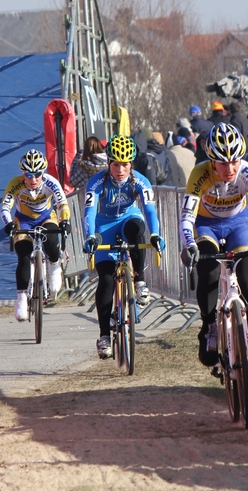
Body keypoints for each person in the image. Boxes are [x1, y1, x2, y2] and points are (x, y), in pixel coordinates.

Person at [179, 123, 248, 394]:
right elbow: (187, 218)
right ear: (212, 161)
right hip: (206, 226)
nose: (230, 169)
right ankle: (209, 325)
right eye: (222, 163)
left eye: (234, 161)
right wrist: (189, 244)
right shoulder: (199, 174)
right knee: (209, 270)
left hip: (238, 226)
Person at [83, 135, 165, 359]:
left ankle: (139, 282)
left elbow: (149, 211)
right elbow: (89, 213)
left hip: (129, 219)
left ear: (132, 164)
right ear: (108, 163)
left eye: (125, 164)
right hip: (104, 226)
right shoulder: (97, 182)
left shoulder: (139, 181)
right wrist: (90, 236)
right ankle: (103, 336)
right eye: (116, 164)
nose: (121, 170)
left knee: (137, 230)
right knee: (107, 281)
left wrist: (155, 233)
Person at [0, 149, 71, 322]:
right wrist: (9, 224)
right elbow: (4, 208)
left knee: (52, 239)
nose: (33, 179)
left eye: (37, 174)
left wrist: (65, 220)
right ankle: (22, 299)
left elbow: (62, 204)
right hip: (23, 221)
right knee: (23, 255)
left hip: (46, 217)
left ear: (43, 172)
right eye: (28, 174)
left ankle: (54, 266)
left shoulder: (50, 182)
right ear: (23, 173)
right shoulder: (15, 184)